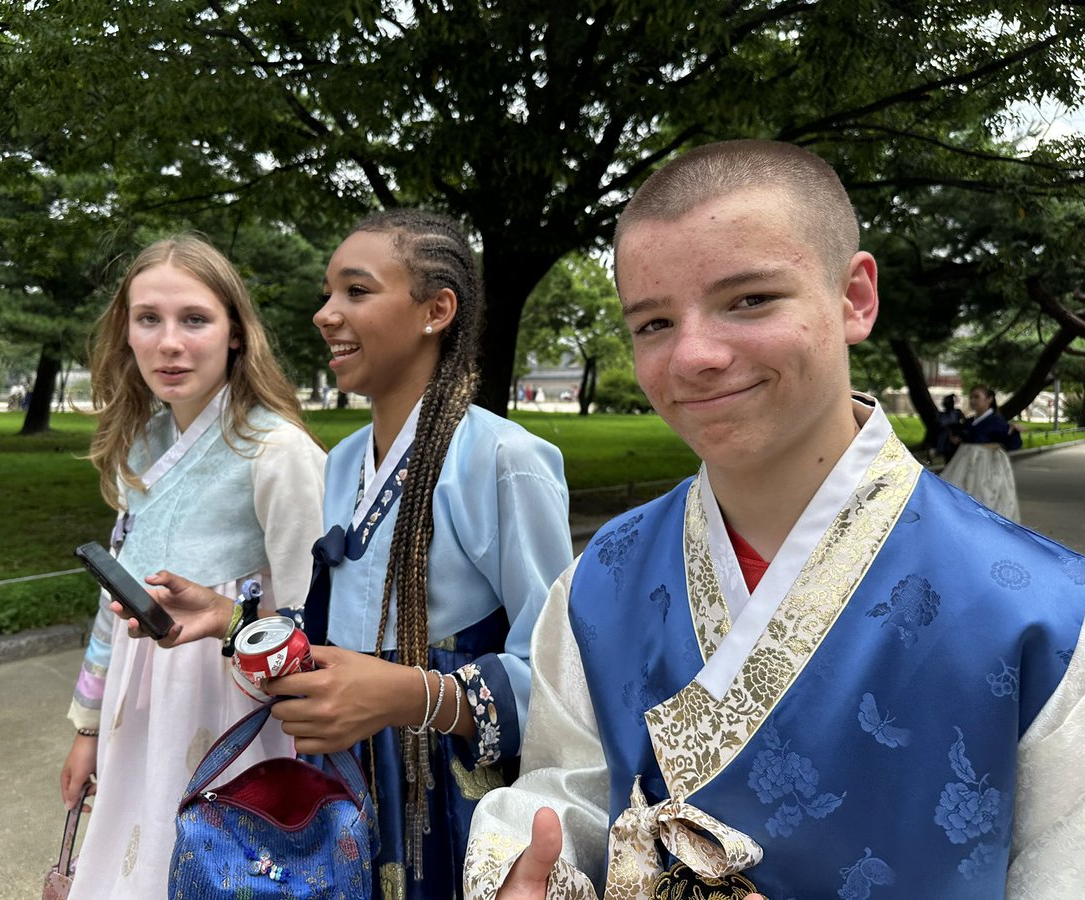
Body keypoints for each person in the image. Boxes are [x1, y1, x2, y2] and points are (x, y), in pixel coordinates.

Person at [463, 141, 1085, 899]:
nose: (693, 355)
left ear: (854, 298)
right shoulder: (600, 580)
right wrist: (528, 872)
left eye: (750, 300)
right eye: (654, 323)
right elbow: (568, 789)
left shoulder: (1043, 615)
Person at [131, 210, 574, 898]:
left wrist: (409, 695)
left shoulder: (503, 460)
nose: (325, 314)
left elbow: (560, 679)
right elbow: (329, 634)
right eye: (327, 293)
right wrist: (228, 617)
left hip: (448, 801)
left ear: (436, 309)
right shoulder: (339, 465)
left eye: (356, 292)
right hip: (342, 794)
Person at [59, 235, 327, 899]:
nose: (169, 342)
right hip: (136, 700)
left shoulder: (278, 452)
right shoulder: (140, 441)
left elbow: (317, 629)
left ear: (236, 331)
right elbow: (110, 600)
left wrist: (235, 622)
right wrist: (87, 729)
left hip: (230, 710)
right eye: (148, 318)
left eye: (195, 319)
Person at [941, 384, 1024, 522]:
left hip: (987, 465)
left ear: (989, 399)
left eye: (977, 397)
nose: (973, 401)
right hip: (964, 463)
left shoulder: (997, 422)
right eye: (971, 397)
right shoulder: (968, 422)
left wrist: (1014, 433)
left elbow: (1013, 444)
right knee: (956, 495)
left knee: (985, 499)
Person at [932, 392, 966, 463]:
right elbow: (939, 426)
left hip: (955, 437)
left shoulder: (957, 412)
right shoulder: (941, 415)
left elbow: (964, 423)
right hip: (945, 439)